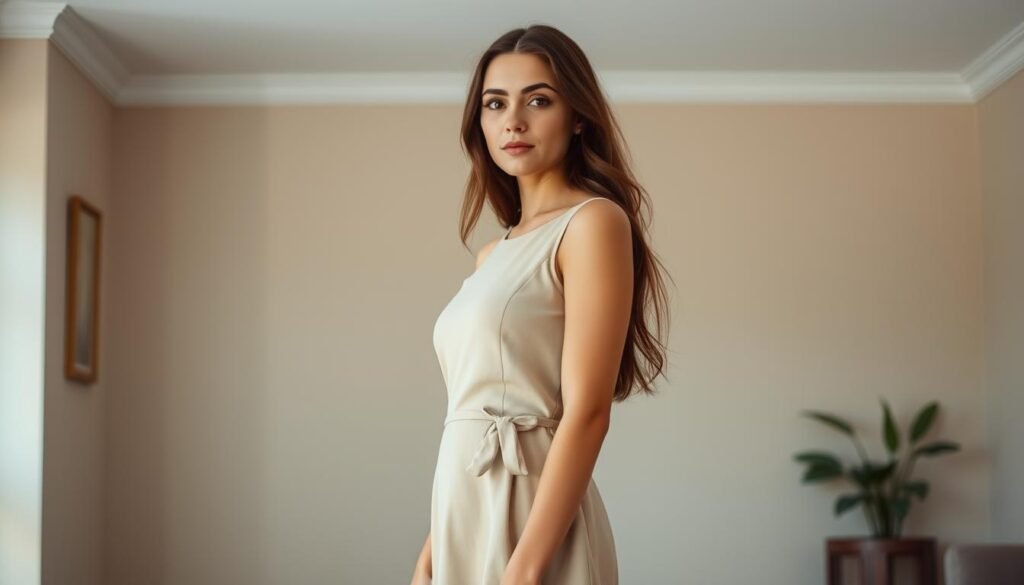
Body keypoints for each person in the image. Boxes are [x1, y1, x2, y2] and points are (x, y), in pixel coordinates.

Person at [411, 23, 670, 585]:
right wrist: (431, 551)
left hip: (535, 524)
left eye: (538, 100)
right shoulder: (491, 255)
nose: (513, 121)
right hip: (461, 510)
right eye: (495, 103)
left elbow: (588, 412)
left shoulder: (593, 223)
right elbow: (475, 411)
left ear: (577, 116)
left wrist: (525, 571)